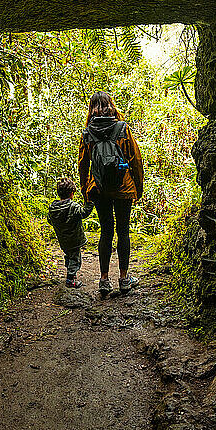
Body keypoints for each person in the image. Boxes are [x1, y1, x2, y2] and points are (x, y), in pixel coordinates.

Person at [78, 91, 144, 295]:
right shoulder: (122, 128)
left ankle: (104, 280)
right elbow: (135, 159)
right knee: (123, 230)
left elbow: (83, 165)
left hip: (99, 189)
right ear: (111, 106)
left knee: (106, 231)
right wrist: (138, 187)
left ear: (92, 109)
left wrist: (85, 191)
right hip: (123, 188)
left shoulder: (87, 133)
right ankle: (124, 279)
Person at [47, 177, 94, 288]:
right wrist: (90, 202)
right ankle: (70, 279)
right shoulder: (73, 206)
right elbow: (84, 212)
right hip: (74, 239)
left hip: (63, 240)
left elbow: (50, 220)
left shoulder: (53, 208)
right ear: (72, 193)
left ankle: (70, 274)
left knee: (69, 256)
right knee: (75, 259)